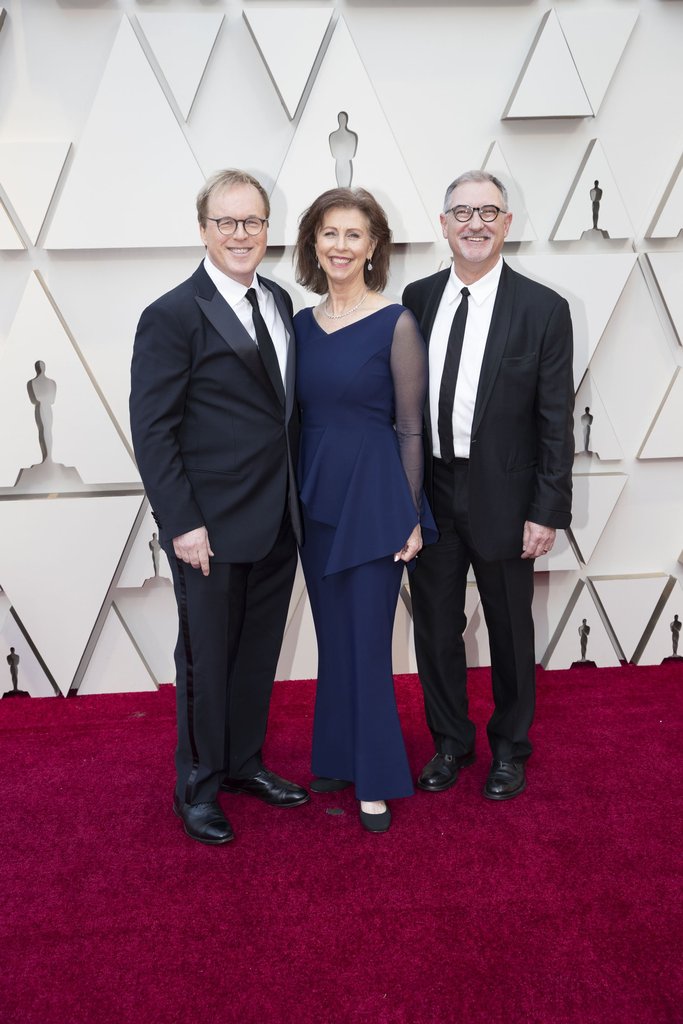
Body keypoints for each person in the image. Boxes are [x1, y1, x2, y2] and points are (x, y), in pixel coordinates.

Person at [130, 169, 309, 845]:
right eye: (227, 222)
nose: (242, 235)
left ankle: (241, 765)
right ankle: (197, 788)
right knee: (205, 660)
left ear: (269, 229)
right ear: (203, 229)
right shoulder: (172, 315)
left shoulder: (281, 302)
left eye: (254, 222)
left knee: (256, 653)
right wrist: (182, 523)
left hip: (276, 520)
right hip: (206, 526)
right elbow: (152, 430)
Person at [402, 170, 574, 801]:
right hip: (431, 491)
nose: (475, 222)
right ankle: (450, 741)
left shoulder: (543, 309)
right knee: (435, 625)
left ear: (507, 223)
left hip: (505, 493)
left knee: (509, 627)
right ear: (443, 223)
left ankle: (509, 748)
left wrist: (546, 509)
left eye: (488, 212)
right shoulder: (416, 299)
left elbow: (555, 419)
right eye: (462, 212)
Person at [294, 187, 436, 833]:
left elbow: (410, 428)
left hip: (377, 503)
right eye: (329, 233)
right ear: (313, 243)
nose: (340, 246)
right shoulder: (297, 326)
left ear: (373, 245)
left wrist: (410, 513)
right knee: (334, 639)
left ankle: (375, 777)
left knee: (368, 644)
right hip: (314, 498)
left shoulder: (395, 322)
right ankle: (337, 757)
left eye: (353, 234)